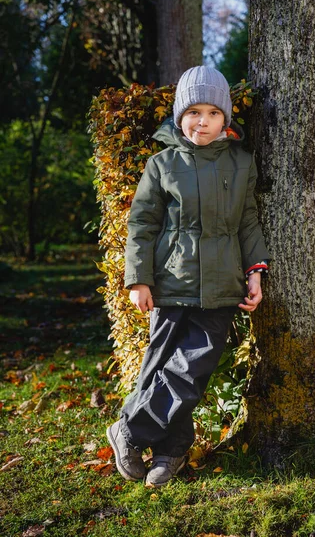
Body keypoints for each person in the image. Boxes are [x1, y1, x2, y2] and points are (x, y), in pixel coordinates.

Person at [106, 66, 270, 488]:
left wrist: (255, 273)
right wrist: (139, 279)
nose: (202, 121)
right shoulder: (162, 164)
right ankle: (170, 452)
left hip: (221, 287)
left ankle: (130, 430)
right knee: (159, 367)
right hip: (170, 282)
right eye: (193, 111)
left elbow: (248, 222)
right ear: (179, 116)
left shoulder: (242, 162)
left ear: (225, 119)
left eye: (212, 113)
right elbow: (142, 224)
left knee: (191, 369)